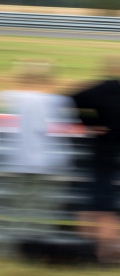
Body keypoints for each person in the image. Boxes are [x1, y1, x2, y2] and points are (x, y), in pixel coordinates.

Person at [0, 60, 75, 252]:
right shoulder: (57, 100)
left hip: (17, 163)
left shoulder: (10, 97)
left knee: (16, 209)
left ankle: (10, 248)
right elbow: (62, 131)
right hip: (46, 164)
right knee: (42, 210)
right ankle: (37, 250)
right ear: (47, 81)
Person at [71, 55, 120, 264]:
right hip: (115, 156)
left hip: (99, 153)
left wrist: (89, 123)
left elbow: (71, 98)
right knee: (107, 203)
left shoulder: (97, 90)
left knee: (98, 200)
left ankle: (91, 251)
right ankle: (103, 253)